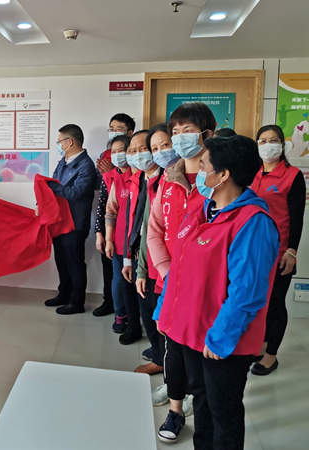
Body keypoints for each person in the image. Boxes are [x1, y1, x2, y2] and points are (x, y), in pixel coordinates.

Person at [155, 135, 279, 449]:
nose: (198, 172)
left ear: (223, 175)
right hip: (190, 330)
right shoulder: (203, 210)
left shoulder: (253, 222)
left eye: (203, 166)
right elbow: (178, 267)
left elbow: (247, 292)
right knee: (201, 401)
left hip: (221, 340)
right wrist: (165, 311)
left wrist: (221, 337)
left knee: (223, 411)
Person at [147, 102, 216, 443]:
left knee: (201, 357)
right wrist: (166, 271)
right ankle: (175, 411)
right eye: (175, 132)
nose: (179, 138)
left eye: (187, 131)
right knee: (172, 351)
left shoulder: (219, 181)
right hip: (171, 284)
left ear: (207, 134)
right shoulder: (168, 179)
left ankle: (199, 409)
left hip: (206, 289)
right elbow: (154, 230)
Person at [251, 125, 305, 376]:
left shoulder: (292, 175)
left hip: (280, 252)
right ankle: (261, 345)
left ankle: (271, 356)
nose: (267, 145)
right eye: (262, 141)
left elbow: (297, 218)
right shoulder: (252, 174)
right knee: (258, 302)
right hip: (253, 252)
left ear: (282, 145)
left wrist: (291, 251)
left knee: (274, 304)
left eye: (273, 140)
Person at [134, 123, 177, 375]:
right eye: (155, 148)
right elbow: (149, 231)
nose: (161, 152)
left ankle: (175, 376)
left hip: (180, 270)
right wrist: (141, 269)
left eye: (166, 145)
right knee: (153, 316)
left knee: (174, 327)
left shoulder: (195, 183)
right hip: (155, 266)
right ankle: (162, 363)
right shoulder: (157, 183)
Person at [44, 124, 96, 315]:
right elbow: (53, 187)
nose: (58, 145)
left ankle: (77, 302)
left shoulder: (86, 165)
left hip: (75, 223)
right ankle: (64, 294)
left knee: (75, 263)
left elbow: (75, 192)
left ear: (70, 142)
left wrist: (50, 186)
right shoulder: (63, 162)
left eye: (59, 141)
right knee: (61, 261)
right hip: (59, 221)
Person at [120, 130, 163, 349]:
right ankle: (157, 352)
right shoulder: (137, 179)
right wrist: (128, 257)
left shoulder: (164, 180)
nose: (137, 155)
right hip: (138, 253)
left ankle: (161, 356)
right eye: (132, 151)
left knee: (157, 311)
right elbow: (131, 221)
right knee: (145, 306)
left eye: (143, 149)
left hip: (159, 258)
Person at [104, 135, 139, 329]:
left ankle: (138, 318)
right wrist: (108, 240)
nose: (117, 155)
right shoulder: (117, 180)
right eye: (114, 152)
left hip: (140, 243)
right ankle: (120, 315)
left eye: (122, 151)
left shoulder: (142, 178)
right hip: (120, 241)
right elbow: (110, 211)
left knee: (138, 280)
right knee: (119, 279)